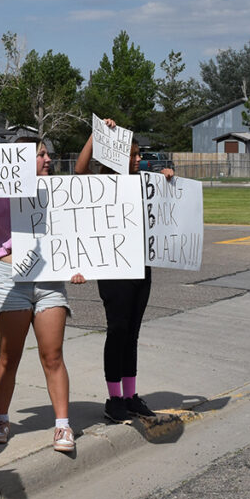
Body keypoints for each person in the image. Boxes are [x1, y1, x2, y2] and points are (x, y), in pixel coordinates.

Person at [0, 138, 82, 452]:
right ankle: (1, 418)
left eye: (47, 153)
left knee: (52, 355)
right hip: (11, 278)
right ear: (22, 160)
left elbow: (76, 233)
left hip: (50, 280)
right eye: (40, 154)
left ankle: (63, 425)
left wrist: (79, 264)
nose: (48, 159)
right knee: (9, 357)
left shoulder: (57, 193)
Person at [74, 118, 174, 423]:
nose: (138, 159)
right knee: (116, 330)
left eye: (139, 154)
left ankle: (131, 396)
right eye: (132, 155)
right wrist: (97, 135)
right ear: (118, 157)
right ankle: (114, 397)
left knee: (132, 333)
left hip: (141, 267)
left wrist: (168, 178)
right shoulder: (104, 184)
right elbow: (79, 171)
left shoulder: (143, 182)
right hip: (113, 267)